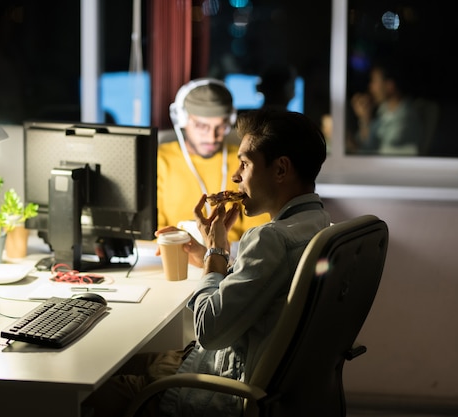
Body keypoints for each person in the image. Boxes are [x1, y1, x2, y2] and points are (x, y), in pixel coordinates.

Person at [82, 108, 331, 417]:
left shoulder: (269, 239)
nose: (236, 176)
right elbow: (260, 292)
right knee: (114, 356)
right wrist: (207, 255)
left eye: (245, 163)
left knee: (85, 383)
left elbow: (210, 331)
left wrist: (216, 251)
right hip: (265, 380)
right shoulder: (319, 224)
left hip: (219, 388)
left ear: (281, 170)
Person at [157, 78, 269, 244]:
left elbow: (259, 233)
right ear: (181, 119)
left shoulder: (247, 161)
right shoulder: (160, 160)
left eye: (221, 126)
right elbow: (152, 232)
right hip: (173, 254)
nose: (212, 136)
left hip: (232, 260)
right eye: (202, 126)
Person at [350, 59, 424, 155]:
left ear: (390, 86)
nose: (371, 87)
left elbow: (376, 156)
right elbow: (366, 144)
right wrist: (365, 118)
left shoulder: (406, 120)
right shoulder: (384, 111)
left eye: (374, 81)